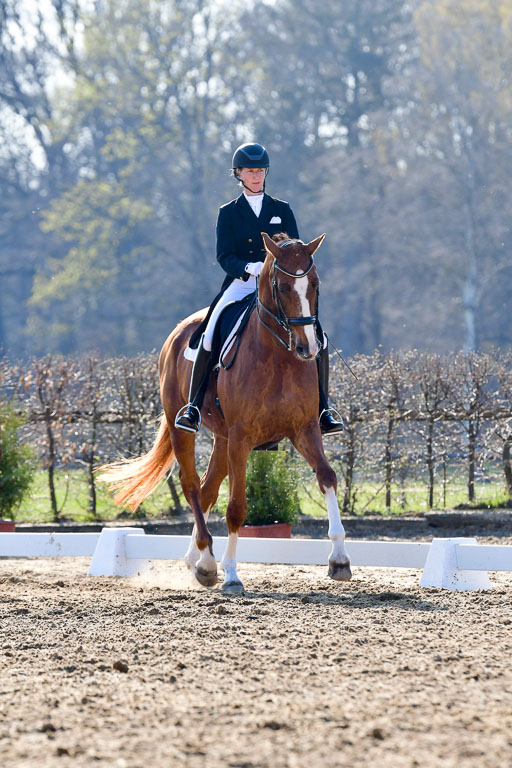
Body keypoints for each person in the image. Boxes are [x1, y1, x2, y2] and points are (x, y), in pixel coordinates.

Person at [175, 142, 343, 436]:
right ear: (239, 174)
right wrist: (249, 268)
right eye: (250, 171)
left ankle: (324, 409)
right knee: (209, 332)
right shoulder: (228, 213)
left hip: (280, 288)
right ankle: (192, 407)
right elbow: (224, 255)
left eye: (261, 171)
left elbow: (297, 251)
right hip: (241, 285)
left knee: (318, 337)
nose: (256, 176)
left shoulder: (282, 209)